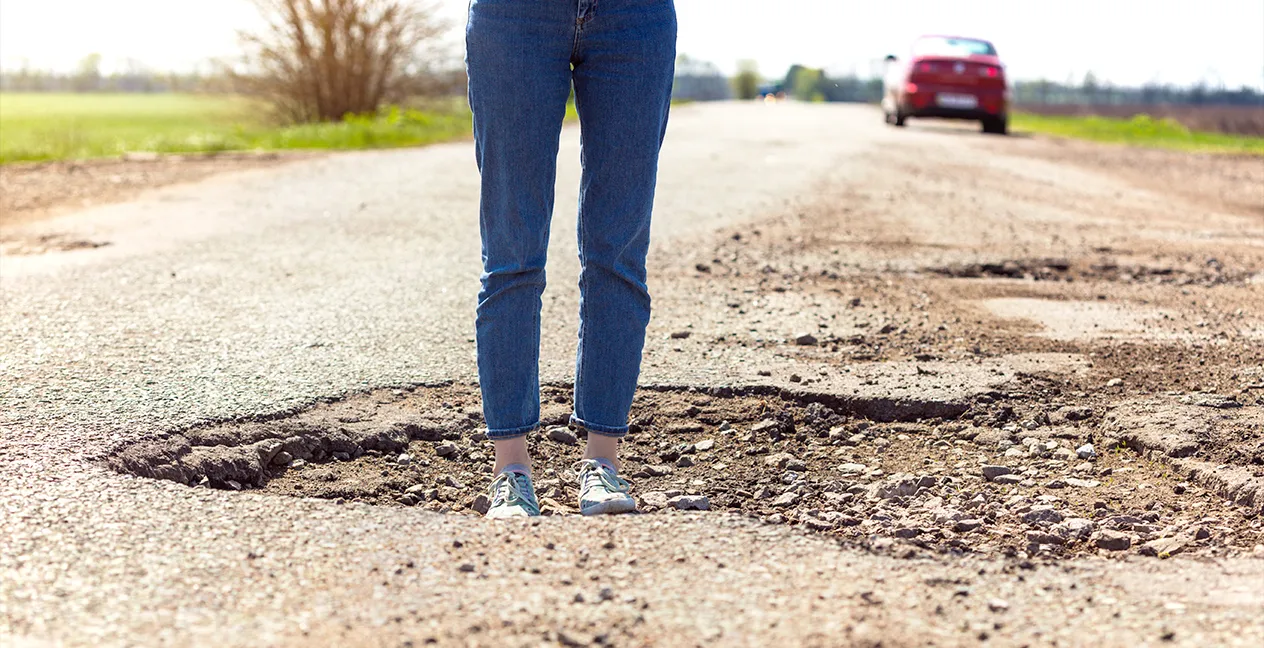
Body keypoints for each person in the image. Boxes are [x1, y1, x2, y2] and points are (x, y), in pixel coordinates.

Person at [465, 0, 678, 518]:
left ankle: (602, 463)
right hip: (513, 16)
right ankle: (510, 470)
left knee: (618, 253)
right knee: (512, 254)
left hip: (635, 20)